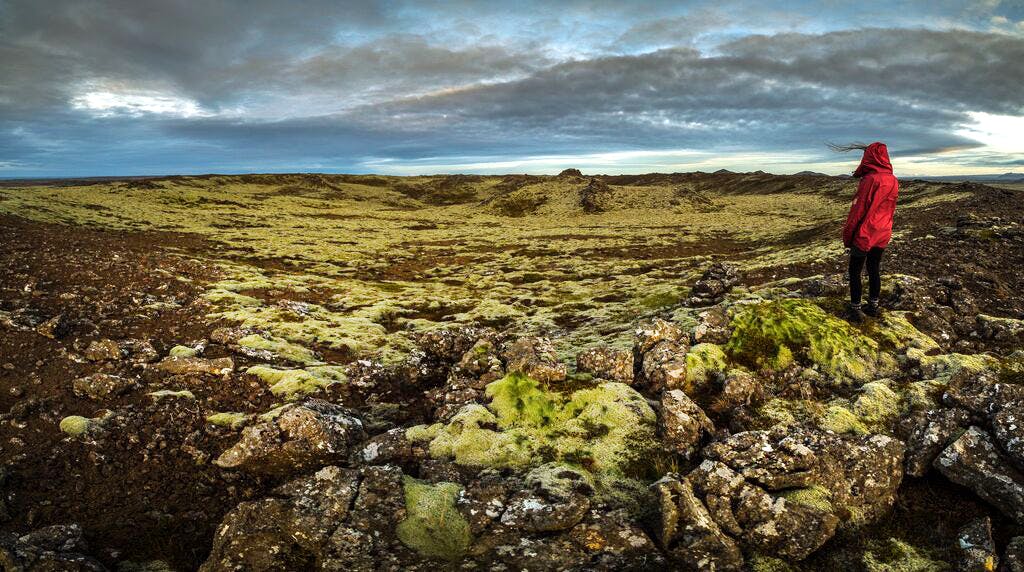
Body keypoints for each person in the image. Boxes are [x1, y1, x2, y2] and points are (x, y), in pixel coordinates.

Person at [835, 141, 899, 323]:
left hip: (865, 233)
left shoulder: (870, 180)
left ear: (870, 157)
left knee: (855, 271)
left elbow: (858, 212)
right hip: (883, 231)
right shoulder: (893, 180)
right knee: (873, 268)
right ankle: (873, 305)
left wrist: (848, 237)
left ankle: (856, 309)